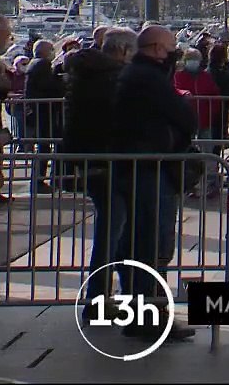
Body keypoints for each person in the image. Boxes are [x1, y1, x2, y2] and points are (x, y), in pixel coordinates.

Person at [111, 25, 198, 342]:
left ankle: (144, 312)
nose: (175, 53)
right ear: (158, 49)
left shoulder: (136, 75)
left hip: (142, 169)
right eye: (172, 47)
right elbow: (185, 116)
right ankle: (148, 315)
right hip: (148, 171)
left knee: (143, 245)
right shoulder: (146, 78)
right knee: (150, 246)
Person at [64, 27, 136, 321]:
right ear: (123, 51)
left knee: (113, 229)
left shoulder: (88, 72)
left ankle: (107, 294)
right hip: (108, 160)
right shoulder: (113, 78)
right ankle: (99, 297)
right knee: (113, 231)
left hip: (94, 158)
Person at [172, 48, 223, 197]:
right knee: (189, 153)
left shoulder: (206, 76)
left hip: (205, 121)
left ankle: (210, 184)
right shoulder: (178, 76)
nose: (193, 61)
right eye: (190, 57)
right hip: (186, 122)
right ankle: (190, 184)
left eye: (195, 58)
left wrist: (211, 112)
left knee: (208, 152)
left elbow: (215, 96)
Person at [23, 39, 65, 193]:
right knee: (45, 146)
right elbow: (49, 86)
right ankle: (41, 181)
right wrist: (62, 83)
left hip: (39, 111)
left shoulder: (35, 64)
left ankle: (46, 179)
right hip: (44, 112)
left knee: (45, 146)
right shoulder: (42, 65)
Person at [206, 43, 229, 142]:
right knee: (218, 134)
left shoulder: (207, 71)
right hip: (221, 106)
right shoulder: (223, 73)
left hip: (208, 106)